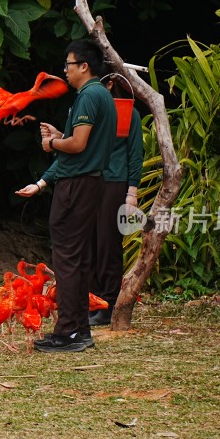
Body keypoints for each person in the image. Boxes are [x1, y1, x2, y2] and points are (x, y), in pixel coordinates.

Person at [15, 39, 117, 353]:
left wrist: (53, 144)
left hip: (77, 187)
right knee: (79, 258)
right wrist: (45, 178)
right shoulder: (101, 95)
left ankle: (69, 332)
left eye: (68, 65)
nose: (65, 71)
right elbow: (79, 145)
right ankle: (79, 330)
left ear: (84, 66)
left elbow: (78, 146)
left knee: (68, 259)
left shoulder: (88, 96)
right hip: (90, 183)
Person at [89, 73, 144, 327]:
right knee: (89, 243)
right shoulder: (88, 107)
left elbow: (135, 154)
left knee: (108, 244)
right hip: (89, 181)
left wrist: (131, 192)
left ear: (110, 84)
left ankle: (107, 302)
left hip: (114, 183)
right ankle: (91, 301)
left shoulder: (128, 113)